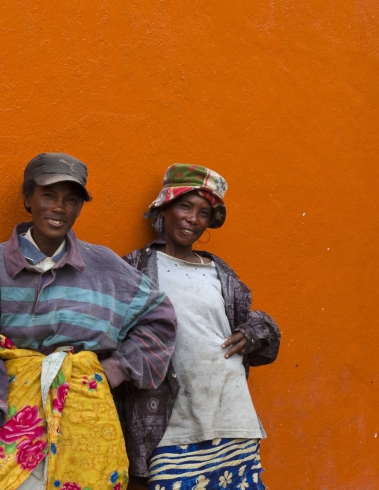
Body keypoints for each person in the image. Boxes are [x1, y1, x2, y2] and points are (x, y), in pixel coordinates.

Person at [0, 153, 177, 490]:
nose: (59, 208)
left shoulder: (103, 265)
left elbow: (159, 316)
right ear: (27, 198)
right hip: (13, 411)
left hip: (85, 409)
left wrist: (114, 369)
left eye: (71, 200)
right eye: (48, 195)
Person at [120, 164, 281, 490]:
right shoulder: (135, 269)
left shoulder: (220, 272)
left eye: (203, 213)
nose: (192, 219)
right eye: (185, 206)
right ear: (165, 208)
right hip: (171, 428)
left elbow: (262, 331)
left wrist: (252, 332)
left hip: (232, 418)